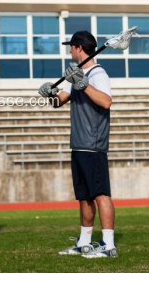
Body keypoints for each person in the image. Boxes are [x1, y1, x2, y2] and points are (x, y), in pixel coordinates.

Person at [38, 31, 117, 258]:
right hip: (79, 144)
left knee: (101, 194)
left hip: (93, 144)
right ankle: (84, 242)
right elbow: (59, 101)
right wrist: (50, 94)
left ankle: (108, 245)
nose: (69, 51)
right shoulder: (77, 74)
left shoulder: (97, 73)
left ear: (79, 48)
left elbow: (106, 101)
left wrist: (83, 84)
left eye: (71, 47)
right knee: (84, 196)